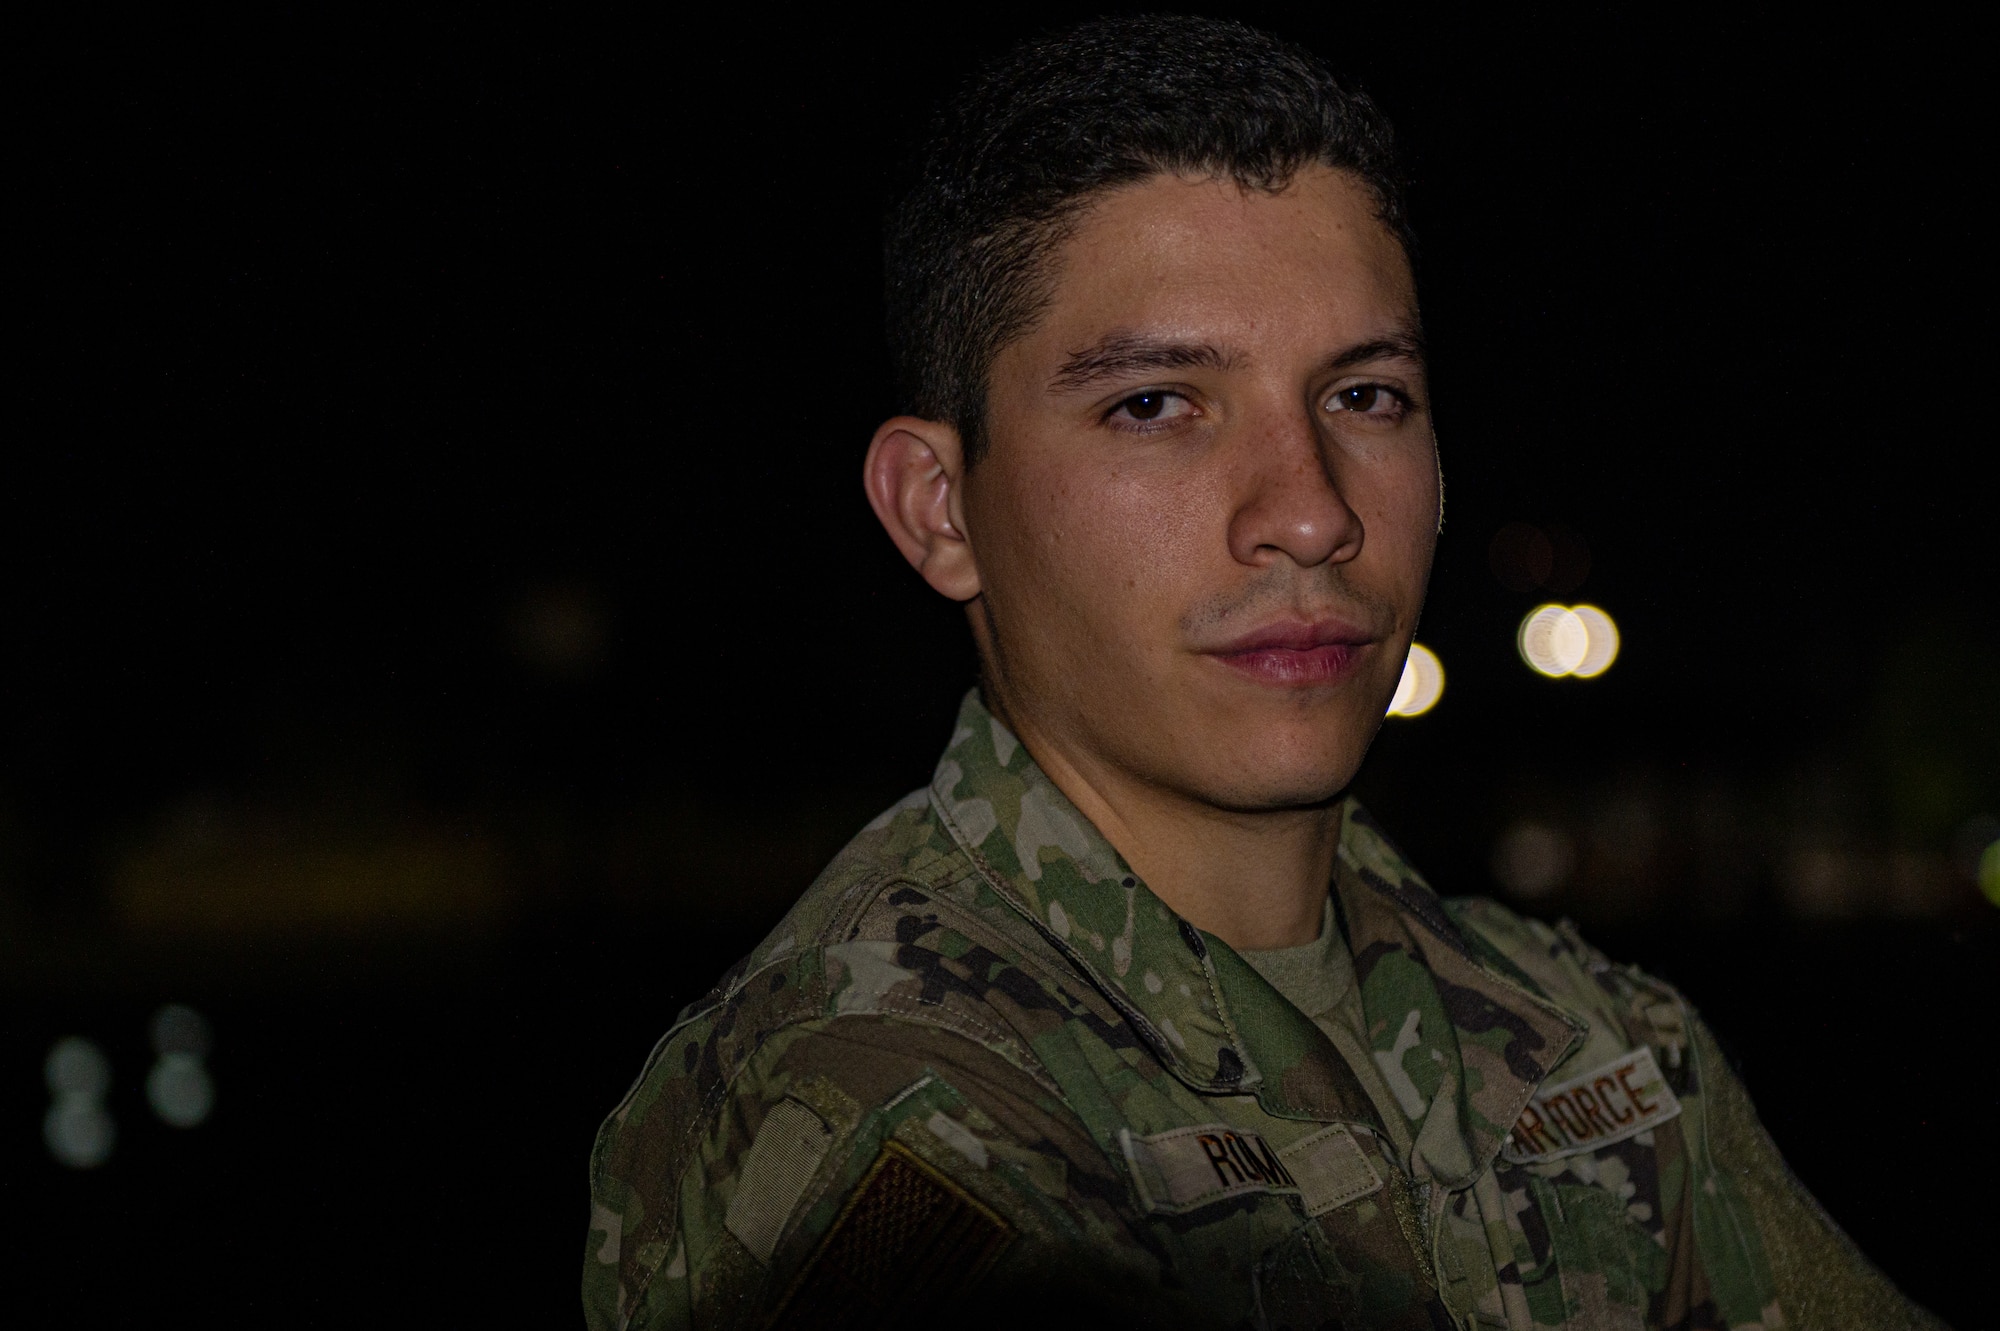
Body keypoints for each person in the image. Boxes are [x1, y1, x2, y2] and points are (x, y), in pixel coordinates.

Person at [583, 16, 1943, 1330]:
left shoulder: (1588, 1036)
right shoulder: (882, 1098)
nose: (1310, 513)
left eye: (1365, 397)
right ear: (941, 509)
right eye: (1157, 406)